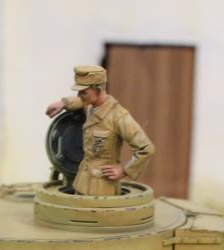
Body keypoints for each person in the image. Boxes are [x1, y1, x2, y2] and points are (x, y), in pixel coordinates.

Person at [45, 65, 155, 196]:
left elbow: (146, 148)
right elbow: (80, 102)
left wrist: (125, 171)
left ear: (99, 90)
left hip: (102, 186)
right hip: (82, 181)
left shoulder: (118, 116)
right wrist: (64, 103)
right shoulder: (91, 106)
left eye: (84, 92)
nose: (79, 96)